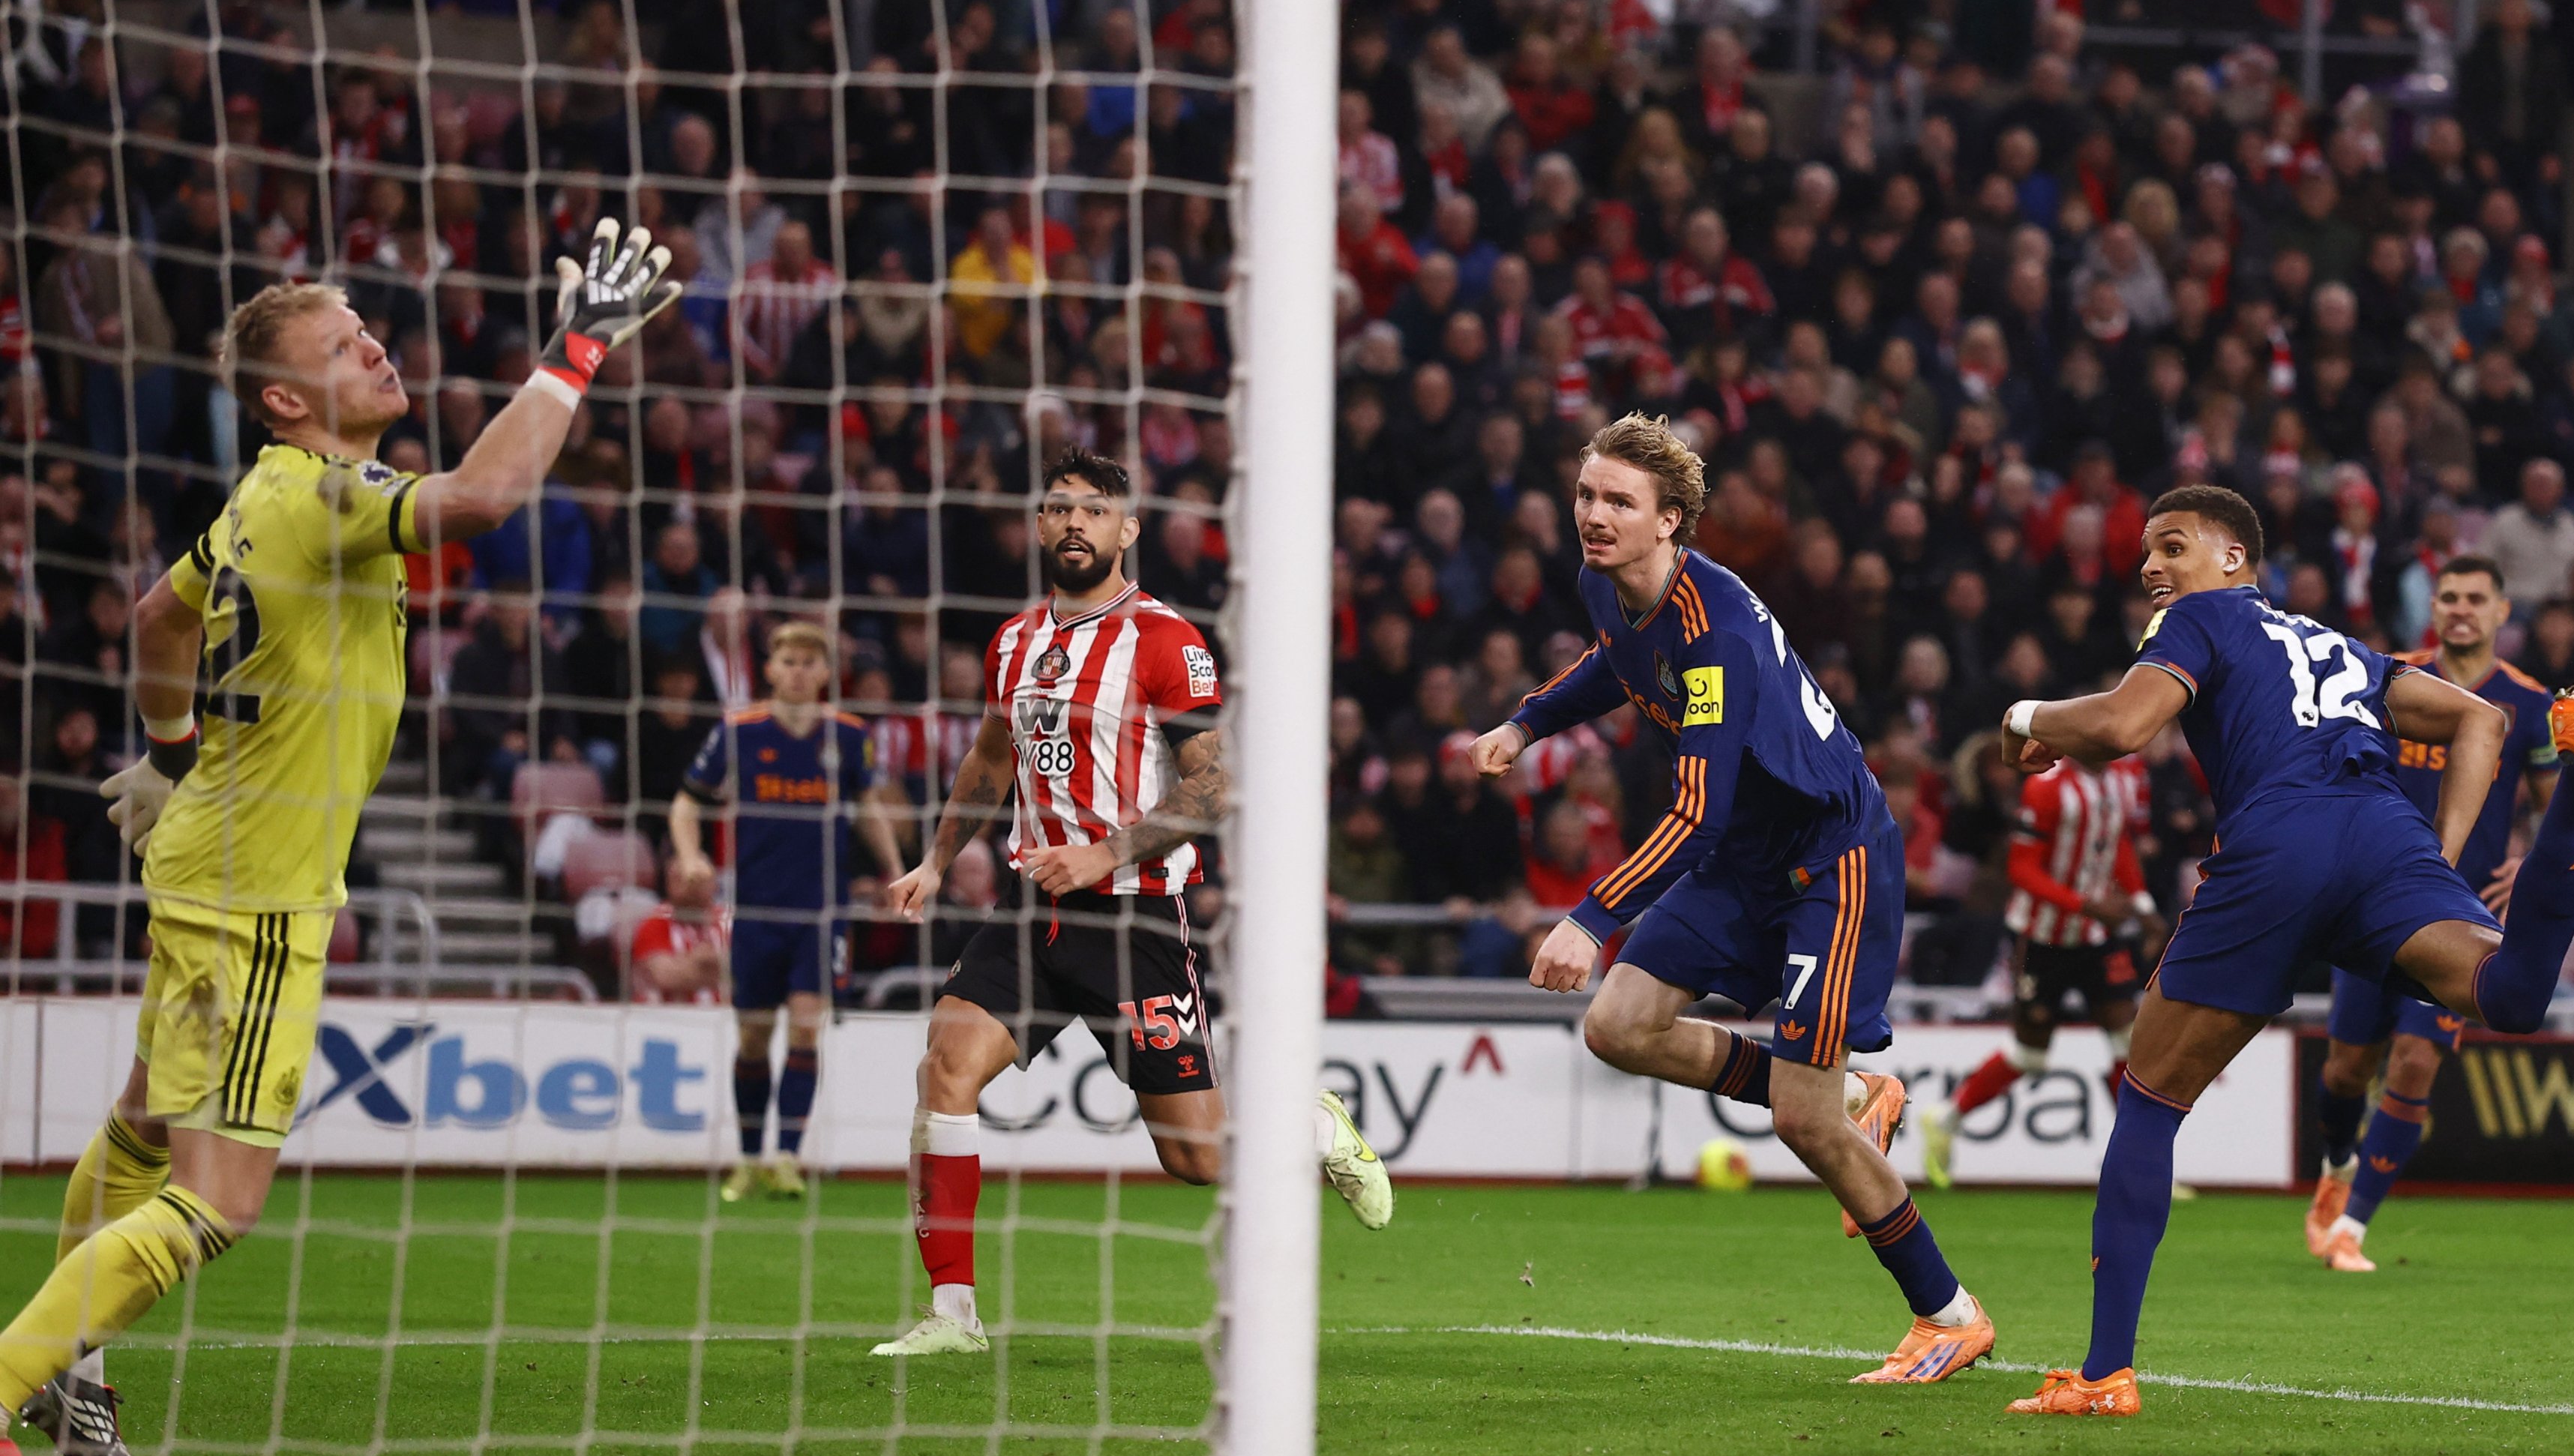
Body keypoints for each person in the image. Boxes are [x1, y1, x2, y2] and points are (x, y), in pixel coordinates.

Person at [0, 226, 678, 1456]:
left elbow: (159, 615)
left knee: (145, 1122)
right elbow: (482, 498)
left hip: (210, 855)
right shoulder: (319, 495)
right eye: (344, 342)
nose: (377, 347)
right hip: (259, 888)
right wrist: (576, 351)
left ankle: (66, 1367)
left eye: (369, 329)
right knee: (220, 1200)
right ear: (283, 399)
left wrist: (169, 752)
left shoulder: (263, 497)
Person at [1993, 485, 2574, 1417]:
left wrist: (2024, 716)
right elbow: (2481, 720)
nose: (2152, 565)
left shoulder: (2197, 619)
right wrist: (2435, 867)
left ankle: (2104, 1374)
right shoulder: (2337, 643)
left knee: (2150, 1101)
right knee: (2509, 994)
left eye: (2173, 545)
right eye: (2147, 553)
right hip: (2383, 840)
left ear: (2233, 558)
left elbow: (2121, 726)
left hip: (2277, 841)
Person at [1469, 415, 1994, 1385]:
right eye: (1586, 495)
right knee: (1619, 1026)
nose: (1593, 515)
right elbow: (1616, 662)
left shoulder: (1719, 638)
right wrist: (1528, 722)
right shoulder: (1606, 583)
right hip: (1746, 858)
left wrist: (1590, 918)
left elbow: (1696, 813)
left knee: (1802, 1122)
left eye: (1619, 501)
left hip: (1828, 862)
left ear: (1671, 520)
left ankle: (1948, 1314)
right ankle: (1855, 1095)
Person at [870, 449, 1392, 1357]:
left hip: (1134, 915)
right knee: (944, 1068)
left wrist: (1103, 852)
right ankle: (952, 1315)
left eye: (1096, 510)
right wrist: (935, 860)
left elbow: (1212, 788)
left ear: (1128, 529)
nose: (1076, 522)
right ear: (1039, 525)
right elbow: (991, 759)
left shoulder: (1165, 641)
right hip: (1032, 911)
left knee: (1194, 1158)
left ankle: (1312, 1125)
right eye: (1060, 507)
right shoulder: (1013, 641)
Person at [2303, 556, 2558, 1272]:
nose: (2461, 608)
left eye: (2476, 597)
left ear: (2503, 611)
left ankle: (2351, 1226)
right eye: (2449, 596)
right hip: (2369, 901)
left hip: (2459, 915)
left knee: (2415, 1060)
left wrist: (2529, 864)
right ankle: (2337, 1162)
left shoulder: (2528, 703)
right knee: (2347, 1069)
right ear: (2434, 608)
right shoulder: (2392, 678)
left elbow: (2557, 807)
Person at [667, 622, 911, 1200]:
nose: (799, 671)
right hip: (755, 909)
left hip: (822, 911)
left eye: (809, 662)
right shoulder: (739, 731)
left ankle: (787, 1157)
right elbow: (687, 802)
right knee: (754, 1037)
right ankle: (749, 1157)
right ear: (770, 669)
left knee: (806, 1027)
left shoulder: (848, 735)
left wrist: (894, 868)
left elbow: (867, 806)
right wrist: (691, 854)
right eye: (789, 661)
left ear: (825, 672)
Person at [1917, 750, 2150, 1187]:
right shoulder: (2047, 786)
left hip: (2098, 936)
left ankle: (2136, 1165)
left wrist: (2142, 904)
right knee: (2031, 1055)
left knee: (2128, 1042)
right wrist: (2085, 904)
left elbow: (2115, 841)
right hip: (2042, 938)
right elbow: (2021, 868)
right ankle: (1946, 1117)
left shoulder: (2122, 778)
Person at [626, 852, 730, 1003]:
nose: (691, 886)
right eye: (681, 879)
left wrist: (687, 963)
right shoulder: (655, 922)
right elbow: (666, 977)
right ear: (668, 884)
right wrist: (719, 965)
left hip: (725, 1014)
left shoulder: (729, 920)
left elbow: (752, 970)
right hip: (668, 1016)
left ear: (714, 882)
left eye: (698, 879)